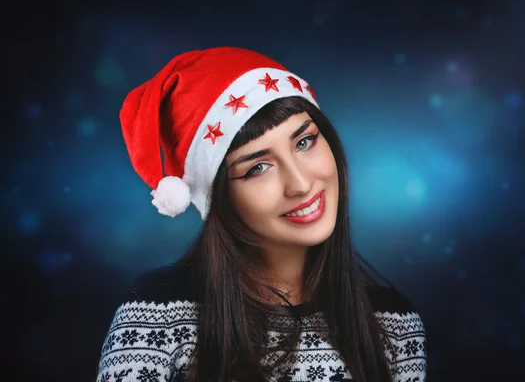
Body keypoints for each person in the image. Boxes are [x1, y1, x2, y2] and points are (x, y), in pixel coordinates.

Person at [96, 47, 427, 382]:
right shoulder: (157, 316)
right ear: (219, 197)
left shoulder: (393, 325)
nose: (300, 184)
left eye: (304, 142)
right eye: (257, 168)